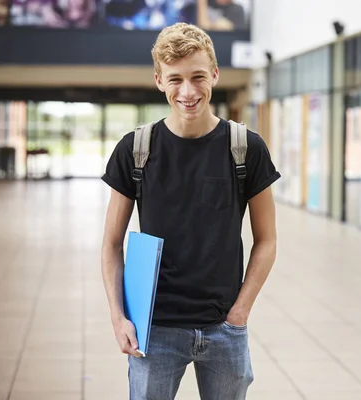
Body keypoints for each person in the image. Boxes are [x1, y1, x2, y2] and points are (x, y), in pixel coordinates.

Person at [100, 22, 280, 400]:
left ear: (214, 74)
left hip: (224, 329)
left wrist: (240, 312)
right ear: (159, 80)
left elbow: (266, 240)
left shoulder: (245, 148)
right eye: (175, 79)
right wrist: (119, 317)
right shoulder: (136, 149)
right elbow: (112, 244)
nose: (187, 91)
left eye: (198, 77)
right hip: (156, 329)